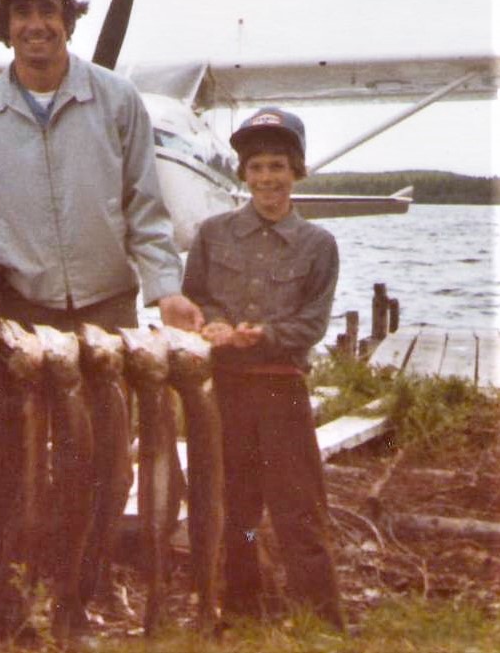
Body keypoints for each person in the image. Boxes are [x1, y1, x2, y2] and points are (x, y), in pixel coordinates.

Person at [0, 0, 203, 640]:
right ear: (5, 23)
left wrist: (166, 292)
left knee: (100, 464)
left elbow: (146, 213)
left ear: (69, 18)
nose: (37, 25)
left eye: (50, 10)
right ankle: (6, 598)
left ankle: (78, 599)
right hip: (20, 316)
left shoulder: (117, 101)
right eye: (22, 12)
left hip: (105, 316)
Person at [181, 107, 345, 631]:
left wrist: (264, 336)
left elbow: (312, 324)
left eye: (278, 165)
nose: (267, 178)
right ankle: (242, 606)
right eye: (256, 167)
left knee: (298, 509)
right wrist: (214, 325)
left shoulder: (319, 245)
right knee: (237, 508)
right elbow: (196, 300)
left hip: (281, 393)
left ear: (296, 170)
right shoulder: (212, 234)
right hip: (223, 393)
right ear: (243, 174)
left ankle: (321, 617)